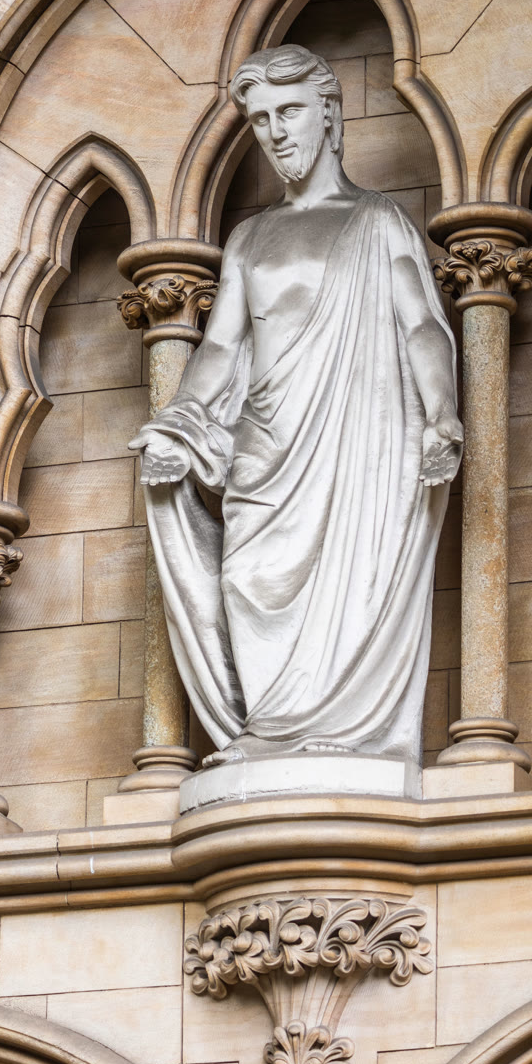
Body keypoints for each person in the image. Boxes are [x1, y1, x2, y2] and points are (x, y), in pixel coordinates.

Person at [130, 43, 462, 766]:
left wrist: (442, 415)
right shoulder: (250, 237)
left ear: (329, 114)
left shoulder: (377, 221)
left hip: (357, 444)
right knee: (248, 578)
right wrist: (179, 421)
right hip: (268, 444)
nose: (276, 132)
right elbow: (221, 348)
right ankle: (269, 731)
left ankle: (346, 732)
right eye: (260, 120)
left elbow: (421, 326)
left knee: (356, 583)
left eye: (290, 112)